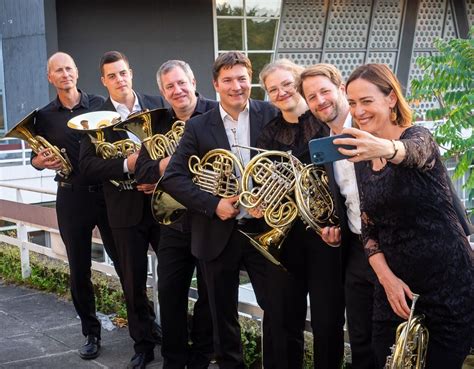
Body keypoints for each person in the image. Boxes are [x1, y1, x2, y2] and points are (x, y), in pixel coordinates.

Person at [334, 63, 474, 369]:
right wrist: (387, 279)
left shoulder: (419, 136)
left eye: (367, 101)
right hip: (396, 289)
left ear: (391, 98)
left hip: (449, 283)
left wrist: (382, 147)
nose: (359, 111)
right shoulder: (361, 157)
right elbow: (368, 226)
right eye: (353, 103)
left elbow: (412, 152)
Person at [161, 51, 278, 369]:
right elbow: (173, 178)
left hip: (264, 230)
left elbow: (286, 166)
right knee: (221, 316)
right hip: (217, 231)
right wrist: (214, 205)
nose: (236, 86)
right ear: (215, 84)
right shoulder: (199, 126)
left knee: (277, 308)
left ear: (250, 79)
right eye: (228, 80)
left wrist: (274, 198)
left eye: (242, 78)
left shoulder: (271, 114)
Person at [254, 59, 345, 369]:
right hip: (286, 237)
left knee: (326, 321)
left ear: (300, 84)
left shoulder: (324, 122)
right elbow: (264, 179)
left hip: (325, 237)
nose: (280, 92)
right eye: (272, 89)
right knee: (282, 319)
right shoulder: (269, 132)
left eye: (286, 85)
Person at [31, 52, 121, 360]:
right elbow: (36, 155)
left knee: (126, 263)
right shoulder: (43, 116)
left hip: (108, 193)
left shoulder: (100, 105)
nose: (65, 73)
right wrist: (38, 162)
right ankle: (91, 333)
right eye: (58, 70)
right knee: (79, 270)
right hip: (71, 196)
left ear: (77, 72)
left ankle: (143, 326)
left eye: (69, 68)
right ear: (50, 78)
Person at [79, 51, 165, 369]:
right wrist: (127, 164)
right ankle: (142, 345)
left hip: (162, 205)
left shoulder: (157, 104)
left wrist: (159, 177)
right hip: (123, 211)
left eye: (123, 73)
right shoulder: (94, 116)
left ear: (131, 73)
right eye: (111, 76)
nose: (119, 79)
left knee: (174, 276)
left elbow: (177, 146)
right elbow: (87, 165)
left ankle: (176, 337)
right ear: (104, 81)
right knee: (133, 281)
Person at [134, 60, 217, 369]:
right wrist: (168, 163)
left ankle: (201, 357)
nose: (177, 90)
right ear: (162, 91)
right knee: (169, 293)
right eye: (170, 86)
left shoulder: (216, 113)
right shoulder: (157, 123)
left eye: (182, 83)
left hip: (211, 219)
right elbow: (142, 170)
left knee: (210, 295)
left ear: (193, 81)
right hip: (173, 222)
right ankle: (174, 359)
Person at [298, 63, 376, 369]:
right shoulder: (322, 142)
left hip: (394, 246)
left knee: (389, 335)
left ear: (341, 89)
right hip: (356, 247)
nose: (320, 101)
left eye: (324, 91)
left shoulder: (368, 122)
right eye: (312, 96)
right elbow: (343, 197)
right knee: (359, 337)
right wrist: (332, 228)